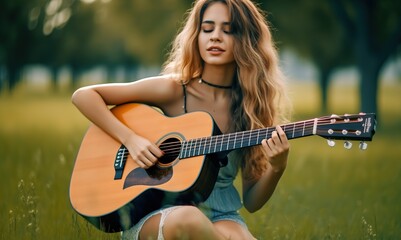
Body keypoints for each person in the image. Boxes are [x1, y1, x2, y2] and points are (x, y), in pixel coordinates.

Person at [72, 0, 291, 239]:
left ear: (246, 40)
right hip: (156, 212)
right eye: (207, 29)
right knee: (190, 219)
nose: (215, 37)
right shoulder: (175, 89)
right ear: (196, 35)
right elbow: (85, 96)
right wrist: (131, 139)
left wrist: (277, 168)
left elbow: (251, 201)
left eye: (228, 30)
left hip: (221, 215)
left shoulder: (251, 109)